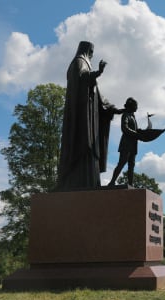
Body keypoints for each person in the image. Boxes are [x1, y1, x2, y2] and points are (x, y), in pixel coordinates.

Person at [57, 41, 122, 191]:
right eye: (91, 51)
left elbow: (98, 95)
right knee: (83, 146)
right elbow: (81, 80)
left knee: (90, 149)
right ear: (86, 50)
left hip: (90, 118)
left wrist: (112, 108)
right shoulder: (79, 62)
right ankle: (78, 181)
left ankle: (90, 182)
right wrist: (98, 73)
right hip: (81, 119)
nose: (92, 55)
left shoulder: (86, 64)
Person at [108, 97, 139, 187]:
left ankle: (130, 183)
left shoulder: (133, 116)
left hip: (133, 144)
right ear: (131, 106)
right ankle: (112, 182)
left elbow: (135, 129)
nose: (137, 107)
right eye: (136, 105)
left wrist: (141, 132)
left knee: (131, 165)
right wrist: (137, 134)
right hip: (126, 143)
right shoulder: (126, 115)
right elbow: (124, 128)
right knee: (122, 163)